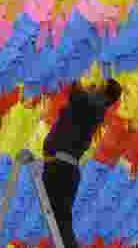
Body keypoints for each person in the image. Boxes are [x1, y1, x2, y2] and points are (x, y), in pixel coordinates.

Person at [41, 78, 123, 248]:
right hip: (62, 167)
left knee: (60, 223)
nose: (93, 85)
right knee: (59, 222)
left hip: (61, 168)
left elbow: (75, 90)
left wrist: (77, 63)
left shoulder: (94, 104)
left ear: (105, 93)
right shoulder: (95, 105)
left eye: (98, 85)